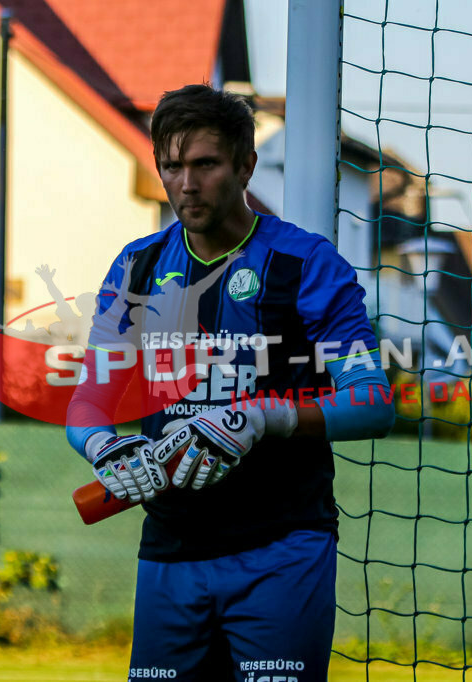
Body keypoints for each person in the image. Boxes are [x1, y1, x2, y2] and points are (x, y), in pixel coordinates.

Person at [66, 84, 394, 682]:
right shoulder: (136, 267)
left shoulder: (306, 263)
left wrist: (268, 417)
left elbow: (371, 402)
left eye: (205, 164)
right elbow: (90, 399)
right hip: (169, 550)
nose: (186, 184)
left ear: (245, 165)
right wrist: (103, 445)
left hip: (281, 550)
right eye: (172, 166)